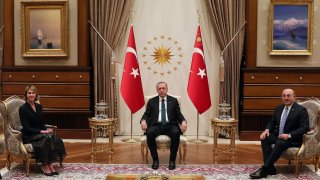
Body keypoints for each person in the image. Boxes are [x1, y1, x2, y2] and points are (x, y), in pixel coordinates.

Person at [249, 88, 309, 179]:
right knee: (265, 138)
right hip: (279, 136)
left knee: (280, 143)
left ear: (294, 97)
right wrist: (266, 130)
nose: (286, 98)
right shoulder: (279, 108)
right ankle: (271, 168)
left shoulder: (301, 110)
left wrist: (289, 135)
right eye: (284, 96)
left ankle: (264, 169)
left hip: (292, 139)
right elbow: (272, 122)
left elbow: (304, 128)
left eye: (288, 95)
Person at [19, 85, 66, 176]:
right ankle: (45, 165)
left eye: (33, 93)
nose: (31, 95)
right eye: (29, 93)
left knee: (53, 137)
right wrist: (42, 131)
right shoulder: (23, 109)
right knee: (46, 139)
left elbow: (41, 123)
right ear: (26, 95)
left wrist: (46, 129)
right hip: (29, 135)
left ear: (36, 94)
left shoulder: (39, 106)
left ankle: (49, 164)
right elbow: (26, 128)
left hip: (39, 134)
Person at [140, 82, 187, 170]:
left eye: (163, 88)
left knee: (176, 132)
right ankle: (155, 160)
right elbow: (146, 114)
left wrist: (183, 121)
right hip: (156, 125)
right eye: (159, 89)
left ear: (167, 89)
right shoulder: (151, 101)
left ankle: (172, 160)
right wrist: (143, 121)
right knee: (149, 133)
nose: (161, 90)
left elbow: (178, 114)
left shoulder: (173, 100)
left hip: (170, 125)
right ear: (157, 90)